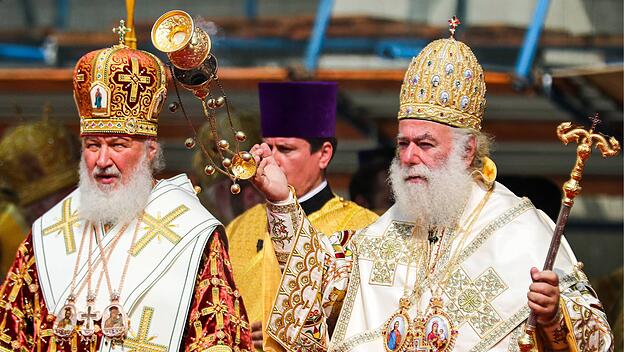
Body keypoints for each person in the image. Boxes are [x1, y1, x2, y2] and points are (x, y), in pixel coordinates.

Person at [249, 19, 613, 351]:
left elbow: (597, 339)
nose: (409, 157)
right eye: (402, 144)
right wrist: (283, 201)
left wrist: (552, 317)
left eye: (424, 144)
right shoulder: (389, 228)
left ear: (467, 150)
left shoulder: (519, 229)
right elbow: (320, 278)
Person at [0, 23, 251, 351]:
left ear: (150, 150)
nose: (102, 160)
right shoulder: (47, 234)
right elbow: (11, 334)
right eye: (92, 145)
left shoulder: (192, 234)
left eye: (117, 145)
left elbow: (218, 338)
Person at [225, 82, 378, 350]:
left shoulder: (364, 228)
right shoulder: (237, 228)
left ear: (324, 154)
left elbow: (366, 321)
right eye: (268, 147)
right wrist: (236, 332)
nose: (272, 160)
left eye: (285, 149)